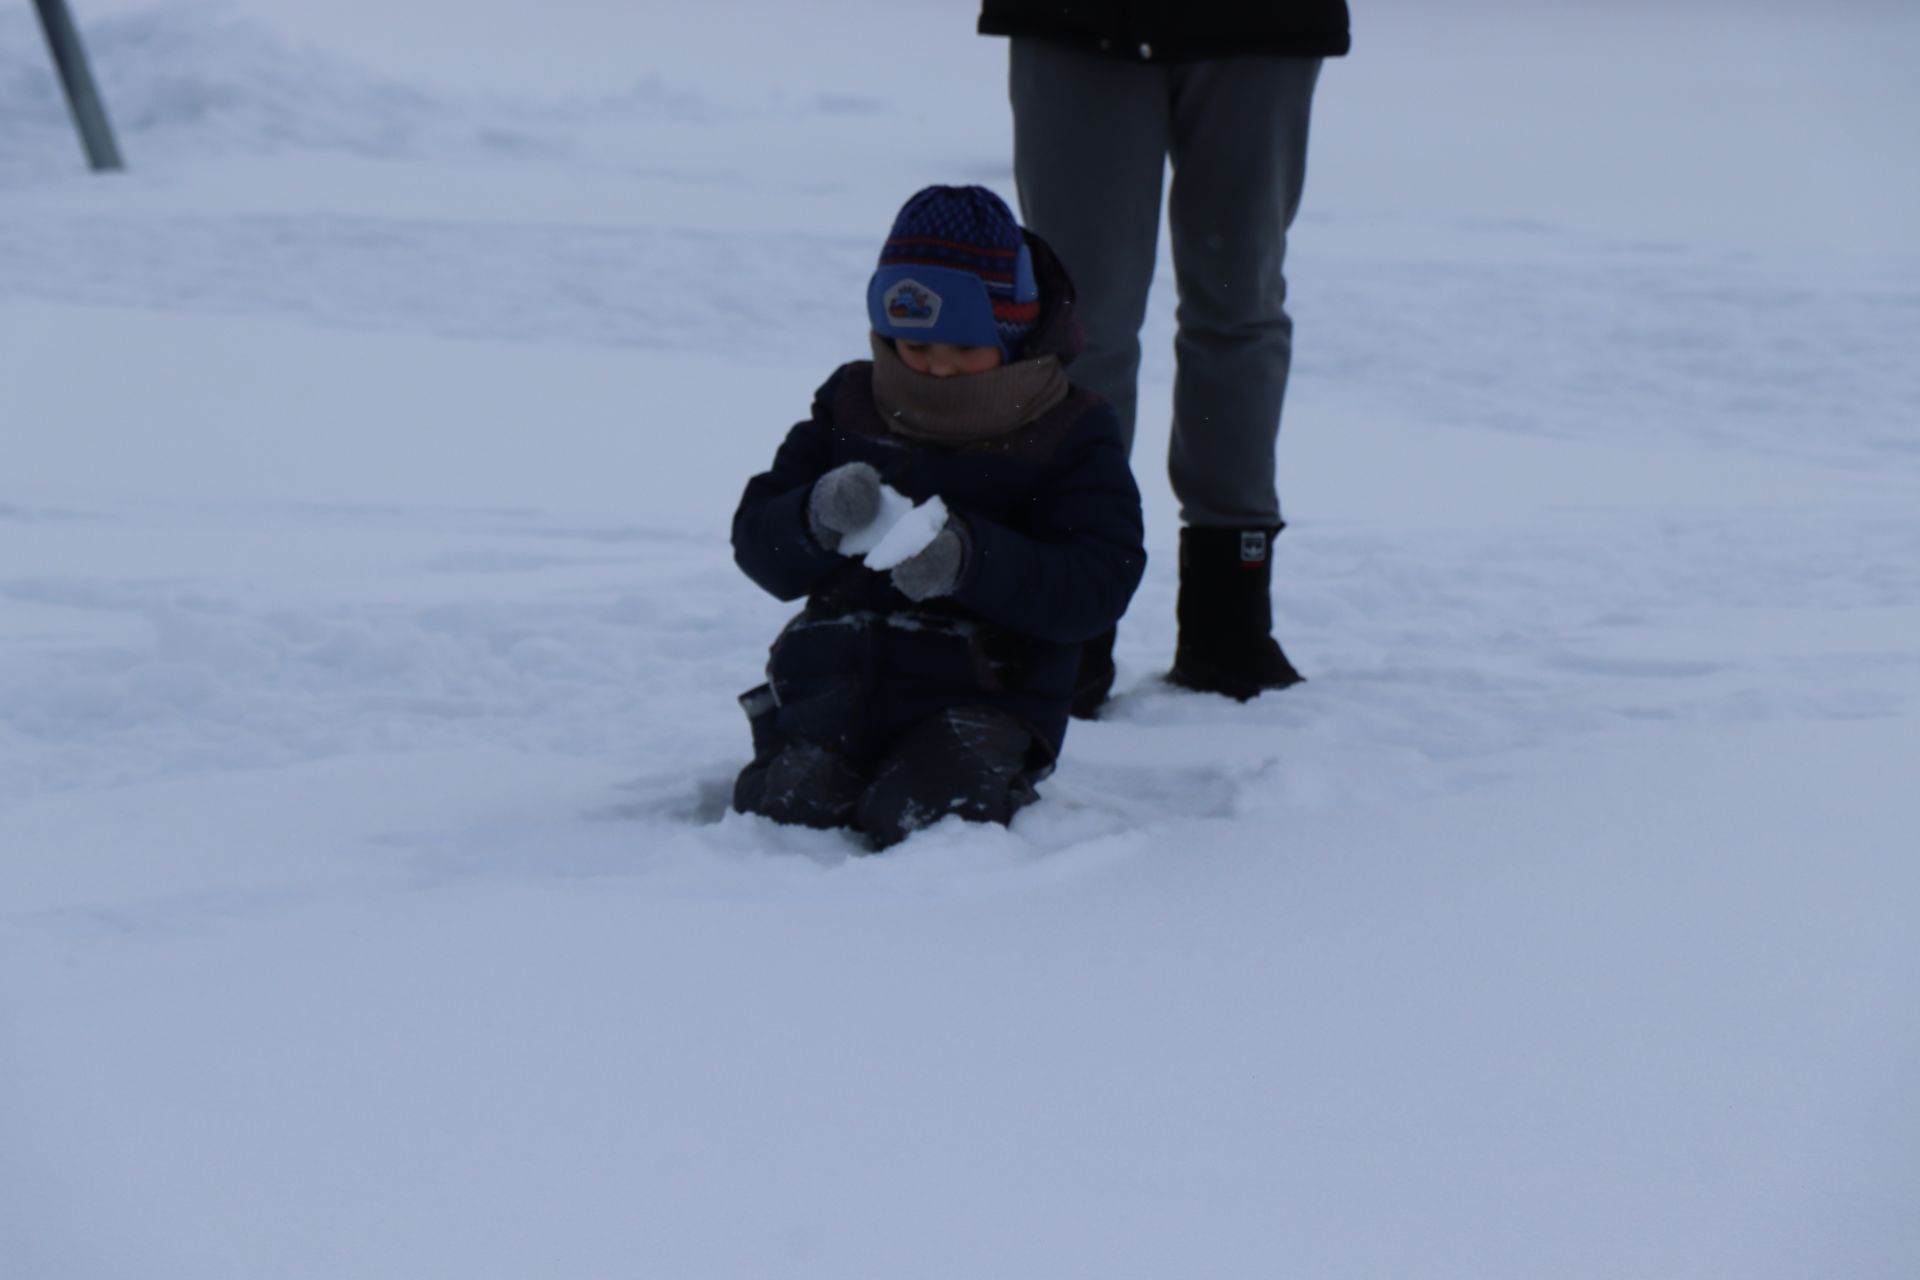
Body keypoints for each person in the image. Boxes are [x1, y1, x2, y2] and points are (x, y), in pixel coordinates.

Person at [731, 185, 1146, 851]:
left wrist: (970, 561)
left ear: (1014, 334)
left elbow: (1098, 581)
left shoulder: (1066, 429)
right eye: (913, 347)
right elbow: (757, 546)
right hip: (833, 690)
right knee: (787, 815)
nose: (937, 369)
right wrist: (812, 517)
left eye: (963, 346)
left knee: (927, 815)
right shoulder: (848, 405)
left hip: (983, 702)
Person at [977, 1, 1352, 710]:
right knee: (1080, 328)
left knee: (1239, 312)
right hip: (1078, 25)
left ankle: (1230, 612)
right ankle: (1070, 617)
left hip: (1262, 28)